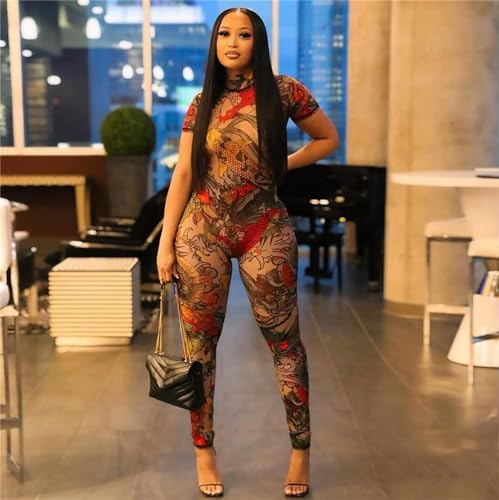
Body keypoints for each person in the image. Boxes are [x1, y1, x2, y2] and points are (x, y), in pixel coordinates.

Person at [157, 7, 339, 498]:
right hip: (201, 232)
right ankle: (204, 452)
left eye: (243, 34)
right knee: (199, 350)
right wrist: (166, 242)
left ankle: (300, 450)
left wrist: (285, 164)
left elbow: (327, 138)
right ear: (214, 42)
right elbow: (184, 174)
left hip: (265, 228)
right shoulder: (203, 101)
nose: (232, 42)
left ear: (258, 41)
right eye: (224, 33)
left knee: (285, 345)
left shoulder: (284, 92)